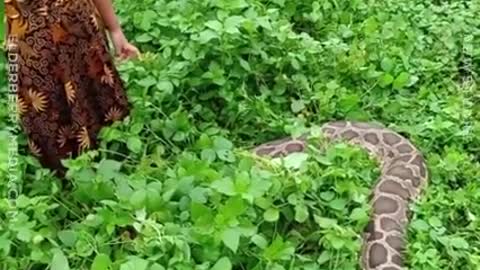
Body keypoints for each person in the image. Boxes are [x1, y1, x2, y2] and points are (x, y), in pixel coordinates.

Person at [5, 0, 139, 177]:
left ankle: (112, 164)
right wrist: (114, 29)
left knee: (99, 103)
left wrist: (115, 30)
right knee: (50, 113)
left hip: (75, 30)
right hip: (34, 42)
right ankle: (69, 180)